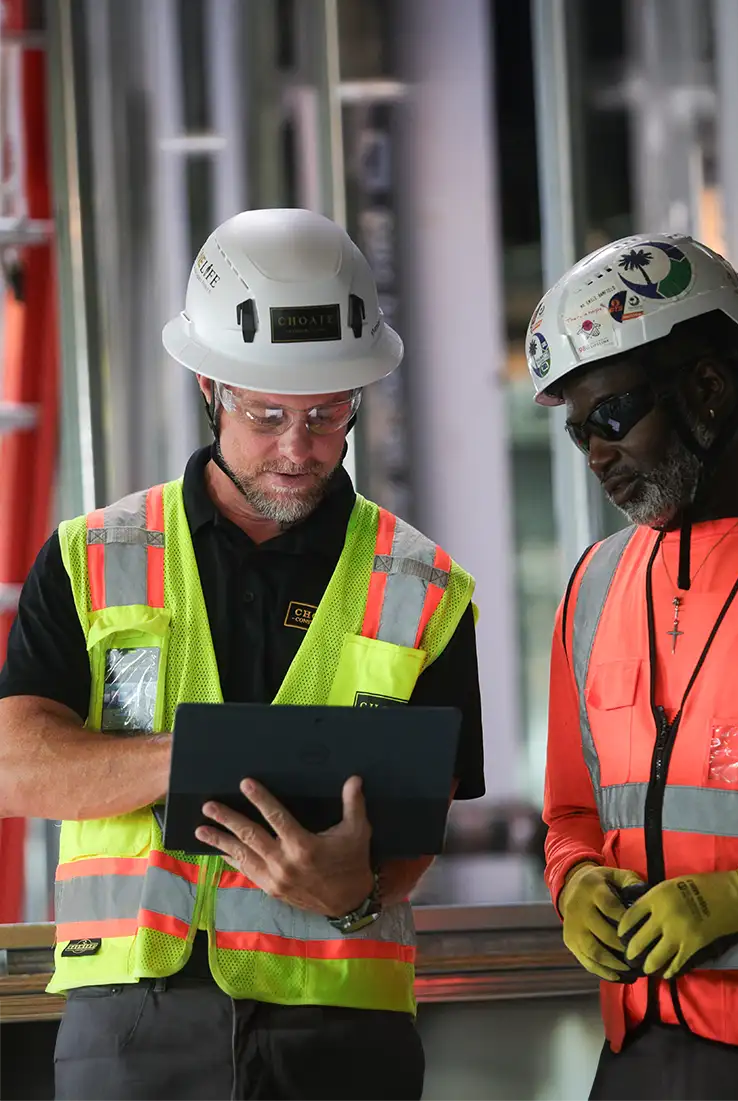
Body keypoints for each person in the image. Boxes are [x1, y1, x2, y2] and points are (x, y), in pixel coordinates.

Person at [0, 208, 485, 1101]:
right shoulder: (92, 555)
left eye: (326, 415)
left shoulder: (427, 588)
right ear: (209, 387)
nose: (298, 449)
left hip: (342, 1033)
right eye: (268, 415)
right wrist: (190, 761)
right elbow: (15, 767)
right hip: (133, 1023)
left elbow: (422, 825)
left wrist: (354, 890)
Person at [528, 233, 738, 1100]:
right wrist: (573, 884)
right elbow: (570, 811)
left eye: (613, 417)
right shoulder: (596, 586)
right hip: (639, 1058)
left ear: (710, 389)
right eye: (578, 432)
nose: (596, 454)